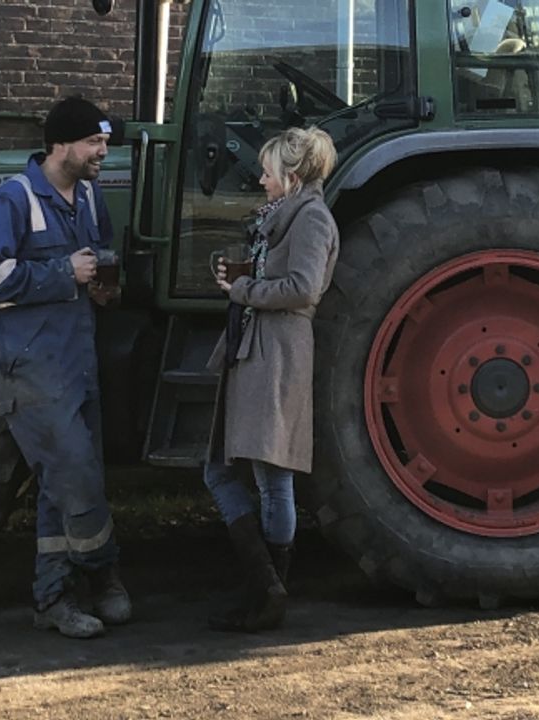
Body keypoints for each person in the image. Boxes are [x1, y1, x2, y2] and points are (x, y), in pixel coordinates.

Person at [0, 95, 129, 639]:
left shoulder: (87, 194)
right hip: (29, 365)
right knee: (74, 475)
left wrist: (103, 288)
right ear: (60, 144)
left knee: (64, 480)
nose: (102, 152)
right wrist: (64, 273)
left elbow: (96, 259)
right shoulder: (13, 200)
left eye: (105, 143)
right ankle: (102, 575)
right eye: (94, 143)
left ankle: (55, 597)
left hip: (75, 361)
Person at [202, 127, 339, 632]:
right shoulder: (284, 217)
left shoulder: (311, 219)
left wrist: (245, 290)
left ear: (293, 175)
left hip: (276, 350)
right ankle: (267, 587)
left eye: (267, 172)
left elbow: (303, 288)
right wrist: (240, 286)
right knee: (235, 472)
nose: (260, 180)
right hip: (258, 347)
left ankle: (266, 591)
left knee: (271, 476)